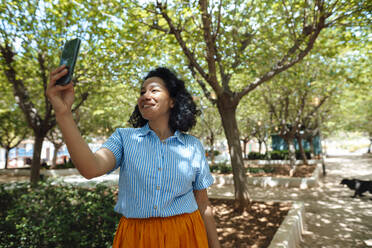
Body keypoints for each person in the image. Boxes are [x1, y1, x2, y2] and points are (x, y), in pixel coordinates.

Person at [47, 65, 221, 248]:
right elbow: (91, 168)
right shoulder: (124, 138)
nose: (145, 95)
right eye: (142, 91)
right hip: (137, 238)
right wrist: (63, 113)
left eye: (154, 90)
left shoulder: (193, 146)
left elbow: (203, 203)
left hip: (186, 235)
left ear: (172, 101)